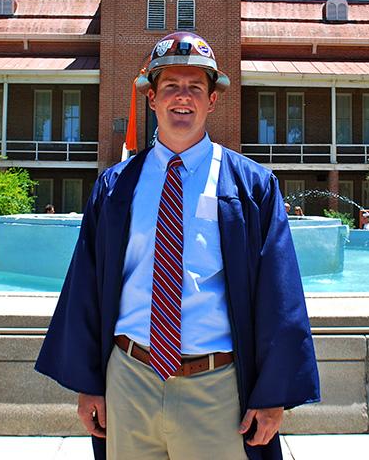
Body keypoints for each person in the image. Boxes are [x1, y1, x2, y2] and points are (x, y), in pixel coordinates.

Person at [35, 32, 319, 460]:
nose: (181, 98)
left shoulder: (250, 186)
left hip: (217, 390)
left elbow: (280, 297)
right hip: (129, 381)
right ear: (152, 98)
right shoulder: (115, 187)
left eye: (195, 88)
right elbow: (86, 289)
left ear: (212, 100)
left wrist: (272, 394)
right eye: (170, 87)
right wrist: (89, 384)